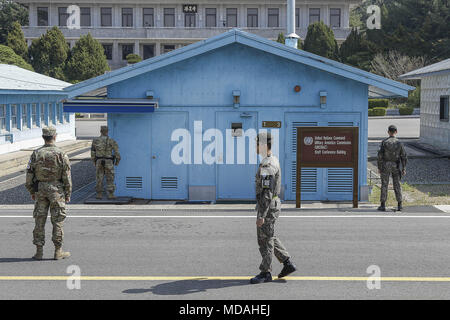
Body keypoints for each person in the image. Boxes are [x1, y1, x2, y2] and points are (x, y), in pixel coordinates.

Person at [250, 132, 297, 284]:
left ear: (263, 145)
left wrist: (261, 215)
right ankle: (287, 262)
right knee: (269, 235)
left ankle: (265, 272)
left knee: (264, 240)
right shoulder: (271, 160)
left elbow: (266, 191)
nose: (255, 146)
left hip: (268, 206)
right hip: (271, 204)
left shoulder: (267, 165)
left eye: (257, 143)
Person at [25, 126, 72, 260]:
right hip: (57, 190)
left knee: (39, 220)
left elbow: (29, 175)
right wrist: (68, 193)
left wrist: (32, 190)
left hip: (40, 190)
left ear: (43, 137)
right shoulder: (61, 154)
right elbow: (67, 176)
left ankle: (39, 252)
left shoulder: (35, 154)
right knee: (57, 221)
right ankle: (58, 251)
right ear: (55, 137)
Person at [377, 125, 407, 211]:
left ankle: (383, 205)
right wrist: (404, 168)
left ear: (388, 132)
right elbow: (404, 156)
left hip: (385, 165)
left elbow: (380, 156)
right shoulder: (399, 143)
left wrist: (379, 167)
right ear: (396, 132)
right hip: (396, 166)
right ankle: (399, 204)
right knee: (397, 184)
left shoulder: (384, 142)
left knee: (384, 184)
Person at [91, 126, 121, 199]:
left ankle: (99, 194)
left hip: (99, 161)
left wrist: (94, 162)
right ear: (107, 131)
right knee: (110, 177)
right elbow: (117, 154)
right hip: (109, 161)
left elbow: (92, 153)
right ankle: (111, 194)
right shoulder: (111, 141)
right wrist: (116, 163)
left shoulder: (95, 141)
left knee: (99, 177)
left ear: (100, 131)